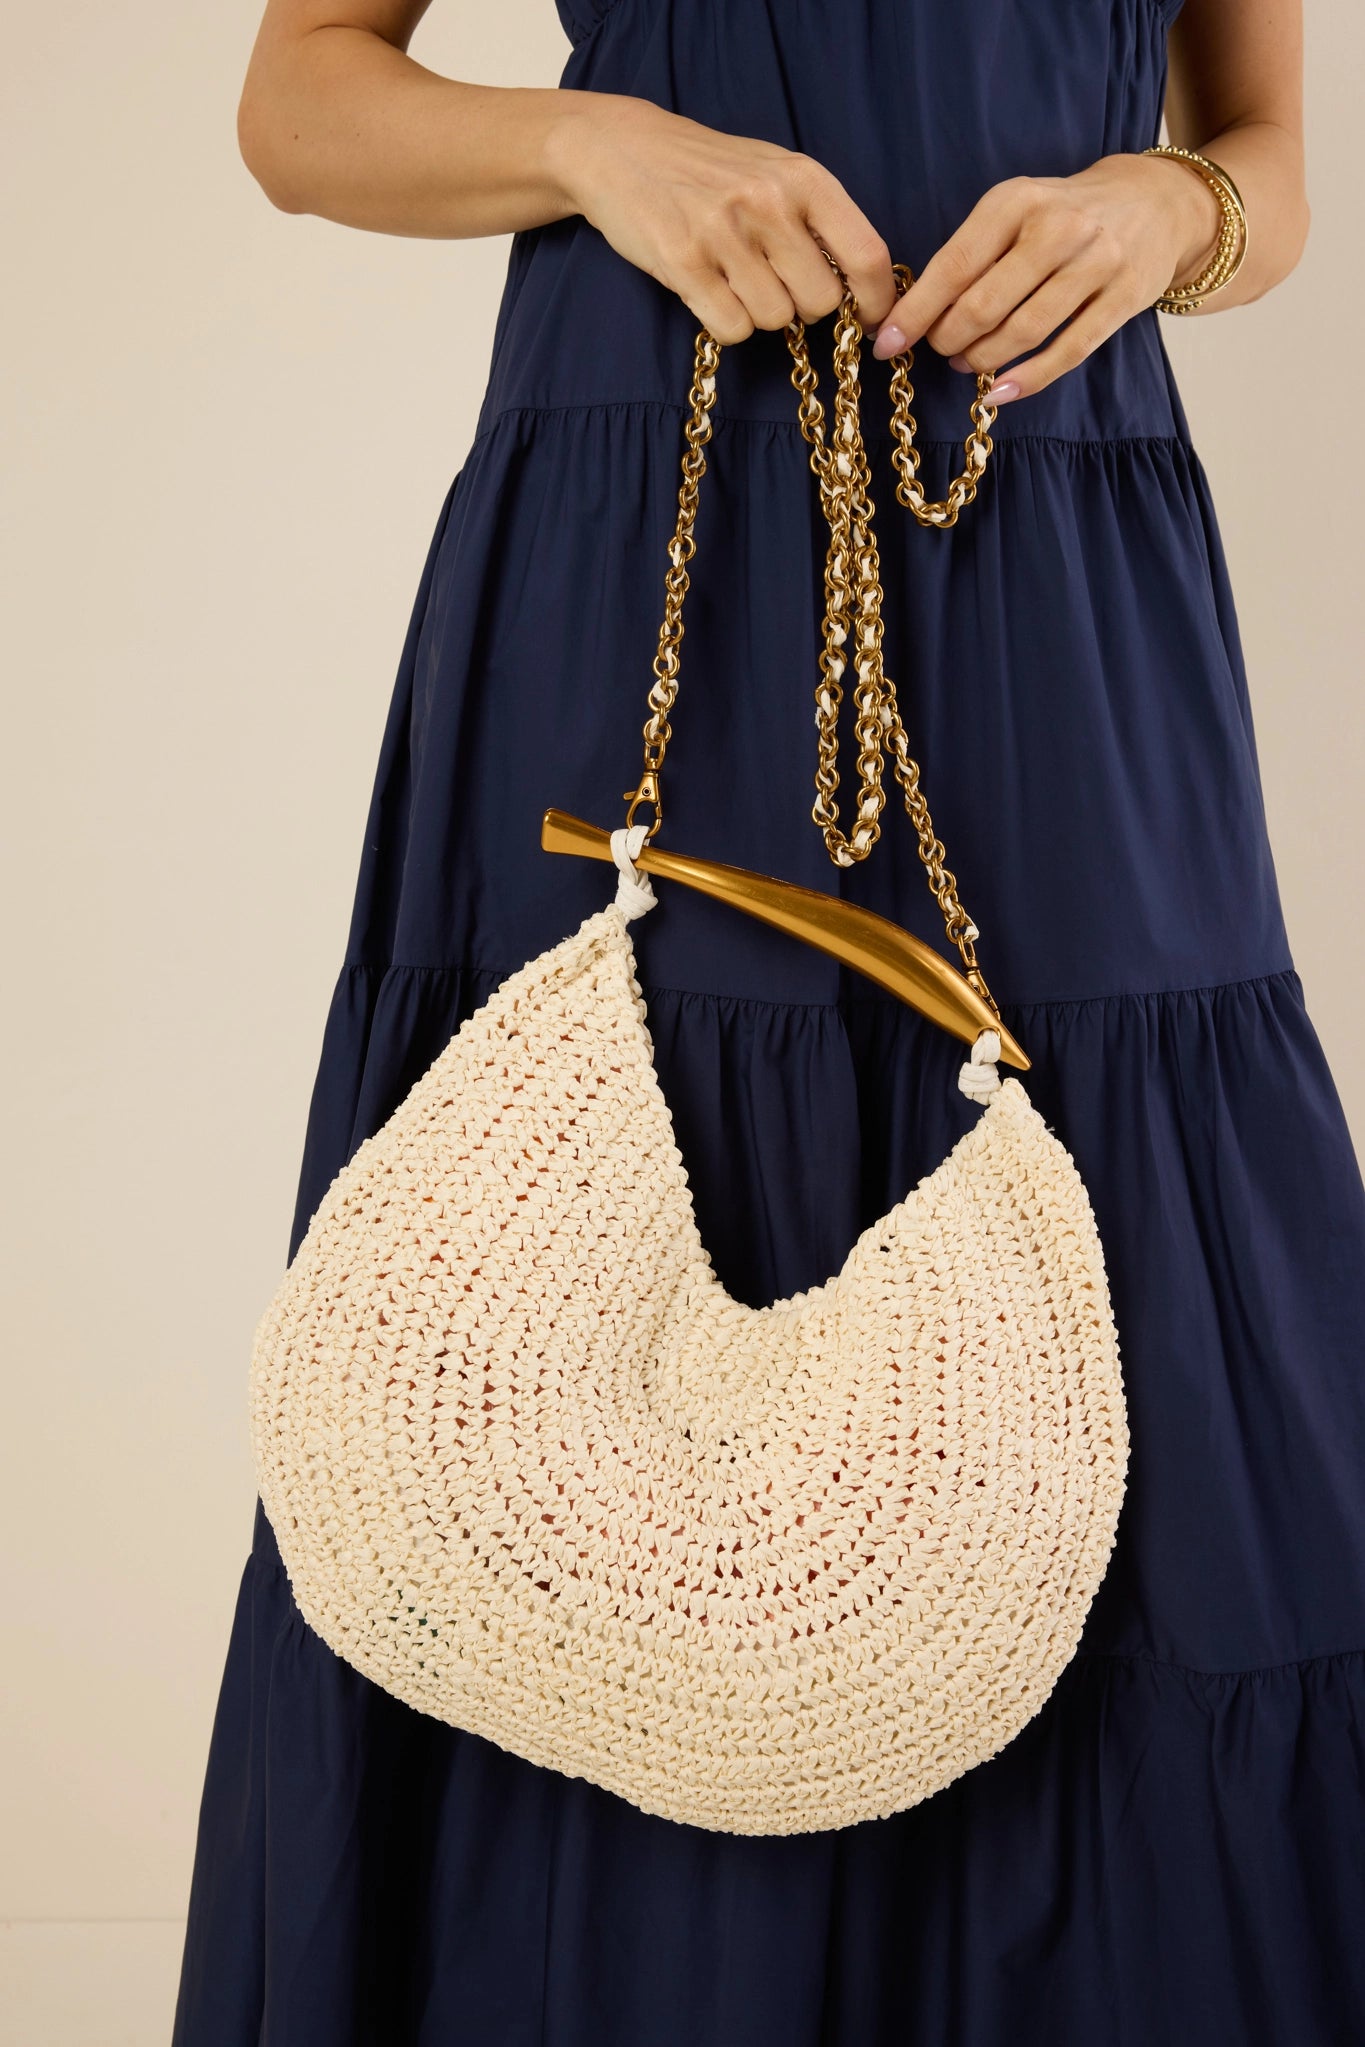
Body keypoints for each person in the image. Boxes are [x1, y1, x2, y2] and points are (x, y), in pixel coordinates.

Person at [173, 1, 1365, 2041]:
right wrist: (590, 148)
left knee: (1154, 1330)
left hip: (1058, 543)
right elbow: (299, 108)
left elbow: (1265, 162)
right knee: (580, 1356)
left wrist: (1162, 205)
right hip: (647, 503)